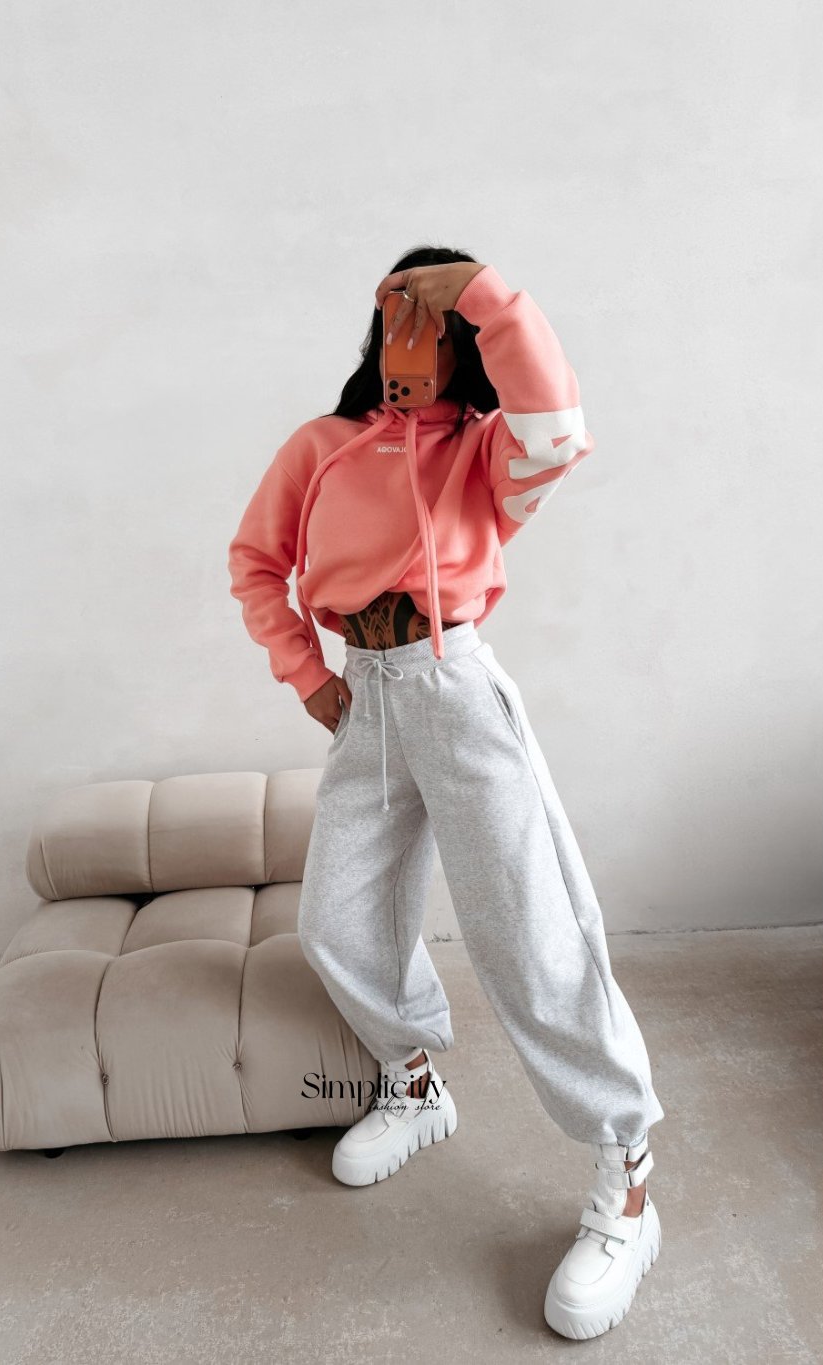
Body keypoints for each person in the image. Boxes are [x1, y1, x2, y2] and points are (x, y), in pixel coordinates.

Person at [227, 246, 666, 1339]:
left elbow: (557, 424)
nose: (408, 340)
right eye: (397, 314)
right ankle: (414, 1082)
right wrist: (310, 677)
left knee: (531, 935)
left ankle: (626, 1177)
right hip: (366, 701)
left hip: (456, 690)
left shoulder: (485, 450)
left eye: (432, 319)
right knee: (337, 920)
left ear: (464, 337)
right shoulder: (320, 446)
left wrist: (481, 288)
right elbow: (254, 562)